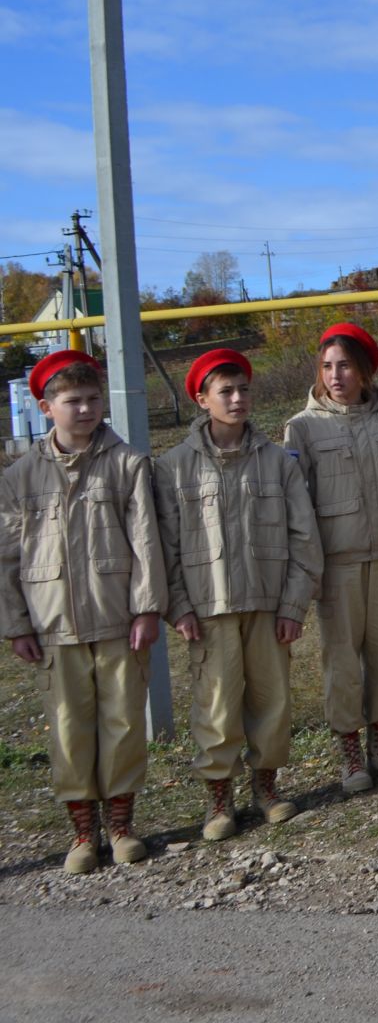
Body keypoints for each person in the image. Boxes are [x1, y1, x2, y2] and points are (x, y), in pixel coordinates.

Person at [1, 352, 165, 873]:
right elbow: (7, 555)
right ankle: (81, 834)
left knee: (121, 723)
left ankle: (121, 826)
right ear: (46, 407)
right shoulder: (20, 477)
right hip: (54, 626)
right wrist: (16, 625)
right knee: (69, 728)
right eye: (73, 401)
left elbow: (146, 543)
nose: (87, 409)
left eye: (94, 399)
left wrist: (146, 609)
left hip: (117, 618)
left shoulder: (127, 464)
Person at [155, 349, 322, 839]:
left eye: (244, 389)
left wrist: (294, 604)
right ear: (202, 399)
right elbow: (163, 545)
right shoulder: (174, 468)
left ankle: (266, 789)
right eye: (225, 391)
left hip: (269, 605)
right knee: (216, 703)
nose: (237, 398)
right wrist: (179, 606)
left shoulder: (277, 461)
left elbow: (303, 538)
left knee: (271, 700)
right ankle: (219, 800)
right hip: (209, 609)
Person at [283, 323, 378, 794]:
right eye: (327, 367)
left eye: (344, 366)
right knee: (341, 662)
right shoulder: (303, 428)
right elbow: (296, 507)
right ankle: (350, 755)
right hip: (337, 564)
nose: (336, 375)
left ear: (363, 369)